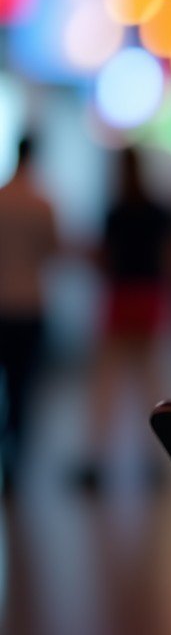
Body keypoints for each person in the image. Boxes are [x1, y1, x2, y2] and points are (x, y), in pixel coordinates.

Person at [69, 146, 171, 493]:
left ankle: (98, 459)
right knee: (149, 380)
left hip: (120, 300)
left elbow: (104, 258)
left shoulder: (116, 211)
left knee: (107, 383)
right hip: (148, 299)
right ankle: (155, 462)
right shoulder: (157, 211)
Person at [0, 134, 58, 497]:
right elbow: (51, 249)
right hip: (30, 305)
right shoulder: (41, 203)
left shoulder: (1, 198)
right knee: (24, 387)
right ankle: (14, 458)